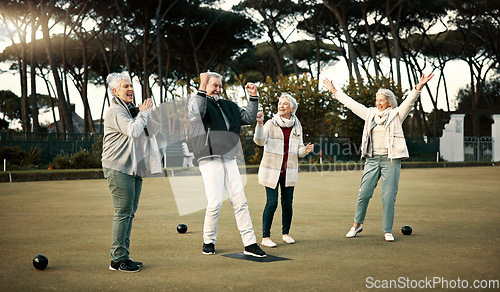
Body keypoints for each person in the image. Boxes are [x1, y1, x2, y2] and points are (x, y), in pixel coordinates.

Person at [323, 73, 434, 242]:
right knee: (364, 193)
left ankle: (387, 230)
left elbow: (409, 102)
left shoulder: (397, 114)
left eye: (381, 100)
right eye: (377, 100)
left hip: (391, 161)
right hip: (372, 159)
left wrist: (418, 88)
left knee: (388, 197)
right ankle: (357, 225)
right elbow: (351, 104)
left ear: (389, 101)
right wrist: (334, 91)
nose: (378, 103)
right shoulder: (369, 114)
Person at [188, 72, 267, 257]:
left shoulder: (228, 105)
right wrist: (201, 84)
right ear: (205, 86)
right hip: (209, 157)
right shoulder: (197, 102)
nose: (218, 89)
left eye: (219, 86)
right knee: (215, 203)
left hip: (229, 157)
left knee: (240, 201)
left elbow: (248, 117)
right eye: (213, 85)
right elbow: (198, 112)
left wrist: (253, 96)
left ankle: (250, 244)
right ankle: (208, 241)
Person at [102, 72, 159, 272]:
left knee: (129, 214)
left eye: (131, 86)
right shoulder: (115, 111)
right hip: (118, 166)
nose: (130, 89)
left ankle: (123, 255)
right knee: (123, 213)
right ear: (114, 91)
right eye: (125, 86)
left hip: (134, 167)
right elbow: (134, 131)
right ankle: (117, 260)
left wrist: (146, 113)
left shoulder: (130, 110)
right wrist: (141, 114)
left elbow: (152, 130)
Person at [253, 94, 314, 247]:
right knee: (272, 202)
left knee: (287, 204)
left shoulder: (297, 126)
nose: (281, 106)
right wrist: (259, 124)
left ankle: (286, 234)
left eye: (285, 104)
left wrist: (305, 150)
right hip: (271, 171)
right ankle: (265, 237)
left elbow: (298, 151)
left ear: (292, 108)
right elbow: (259, 141)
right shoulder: (269, 124)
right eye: (280, 103)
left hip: (289, 172)